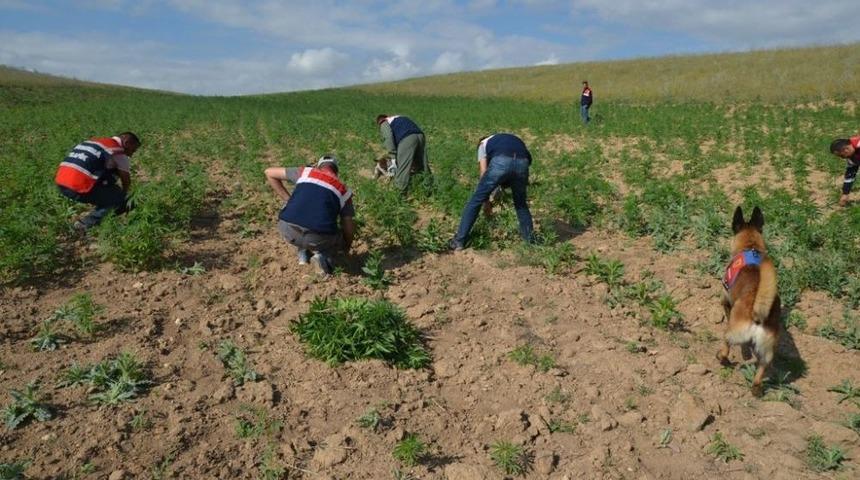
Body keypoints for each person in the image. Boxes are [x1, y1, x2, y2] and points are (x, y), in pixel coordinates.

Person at [265, 155, 355, 275]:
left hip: (288, 231)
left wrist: (289, 201)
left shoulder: (305, 172)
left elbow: (269, 172)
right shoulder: (344, 190)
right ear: (336, 172)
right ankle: (322, 256)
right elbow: (348, 228)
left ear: (318, 167)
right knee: (339, 236)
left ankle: (303, 256)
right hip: (318, 239)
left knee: (301, 212)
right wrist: (346, 246)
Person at [450, 133, 534, 250]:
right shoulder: (506, 139)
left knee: (476, 200)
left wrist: (486, 202)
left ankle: (459, 241)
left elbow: (483, 172)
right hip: (523, 162)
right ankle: (530, 242)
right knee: (521, 204)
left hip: (501, 161)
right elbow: (524, 161)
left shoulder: (482, 144)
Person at [54, 132, 141, 231]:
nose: (131, 154)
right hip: (77, 186)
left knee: (113, 189)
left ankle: (105, 206)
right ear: (127, 142)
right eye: (133, 150)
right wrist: (123, 196)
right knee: (121, 199)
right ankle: (85, 224)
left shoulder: (93, 142)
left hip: (61, 182)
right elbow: (126, 180)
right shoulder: (118, 152)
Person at [376, 114, 431, 194]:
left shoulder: (383, 122)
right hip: (420, 136)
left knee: (403, 166)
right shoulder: (398, 118)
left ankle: (399, 192)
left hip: (407, 138)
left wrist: (392, 155)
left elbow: (388, 137)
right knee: (422, 164)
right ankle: (429, 187)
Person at [830, 136, 860, 207]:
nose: (842, 158)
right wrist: (845, 193)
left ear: (846, 149)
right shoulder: (852, 157)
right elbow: (850, 174)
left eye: (841, 156)